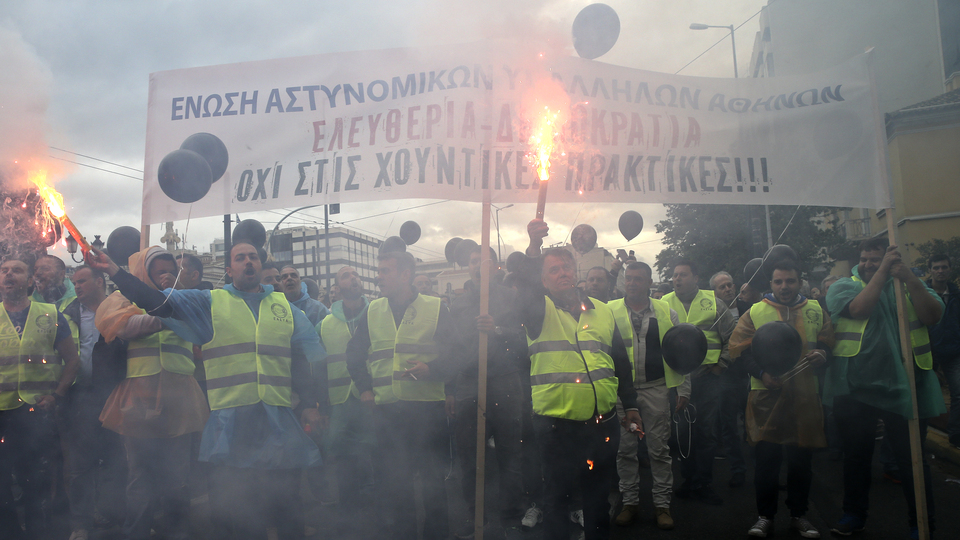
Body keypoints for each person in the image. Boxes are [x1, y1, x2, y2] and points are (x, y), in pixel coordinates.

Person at [86, 243, 326, 540]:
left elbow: (304, 357)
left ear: (261, 267)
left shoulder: (285, 308)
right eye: (240, 258)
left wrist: (312, 403)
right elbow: (154, 301)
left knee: (287, 504)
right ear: (229, 270)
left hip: (278, 421)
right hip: (233, 424)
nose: (248, 262)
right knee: (241, 509)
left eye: (253, 257)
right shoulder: (209, 302)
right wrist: (112, 269)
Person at [517, 219, 642, 540]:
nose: (562, 274)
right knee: (557, 498)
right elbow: (526, 285)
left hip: (602, 423)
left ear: (577, 274)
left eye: (566, 268)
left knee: (598, 499)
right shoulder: (536, 310)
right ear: (543, 281)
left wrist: (631, 405)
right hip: (556, 426)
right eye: (554, 270)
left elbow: (619, 363)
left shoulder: (602, 311)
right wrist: (533, 247)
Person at [824, 239, 944, 537]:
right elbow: (859, 308)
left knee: (912, 459)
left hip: (906, 387)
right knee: (857, 456)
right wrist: (883, 272)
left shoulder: (907, 283)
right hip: (856, 388)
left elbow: (932, 316)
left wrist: (909, 278)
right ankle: (854, 515)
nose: (867, 264)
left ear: (890, 262)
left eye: (875, 260)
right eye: (864, 259)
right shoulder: (843, 286)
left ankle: (921, 522)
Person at [95, 248, 210, 540]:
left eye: (171, 270)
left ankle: (177, 532)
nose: (167, 275)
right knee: (140, 478)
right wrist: (168, 316)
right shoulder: (120, 299)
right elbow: (125, 327)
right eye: (158, 271)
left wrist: (173, 309)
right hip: (138, 399)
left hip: (180, 398)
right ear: (141, 274)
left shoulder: (186, 298)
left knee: (177, 477)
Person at [345, 251, 460, 540]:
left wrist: (431, 369)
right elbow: (354, 354)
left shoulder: (435, 307)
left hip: (426, 412)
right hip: (388, 414)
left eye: (385, 271)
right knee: (396, 487)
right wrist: (366, 389)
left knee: (433, 483)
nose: (378, 276)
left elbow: (457, 354)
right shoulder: (373, 310)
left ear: (405, 274)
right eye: (379, 270)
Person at [730, 260, 836, 539]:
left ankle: (799, 515)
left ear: (800, 282)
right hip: (766, 398)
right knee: (767, 461)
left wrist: (823, 354)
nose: (784, 287)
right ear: (771, 284)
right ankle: (765, 517)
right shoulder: (756, 312)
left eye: (790, 281)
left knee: (801, 461)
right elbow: (740, 350)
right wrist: (762, 373)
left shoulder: (815, 309)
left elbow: (827, 341)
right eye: (778, 282)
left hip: (804, 398)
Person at [0, 256, 81, 540]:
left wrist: (57, 395)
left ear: (30, 279)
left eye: (17, 270)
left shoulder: (49, 314)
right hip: (1, 415)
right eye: (5, 270)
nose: (9, 274)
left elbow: (72, 360)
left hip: (35, 414)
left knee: (37, 485)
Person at [449, 244, 525, 538]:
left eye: (483, 261)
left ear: (494, 266)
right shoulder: (457, 304)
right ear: (466, 268)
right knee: (469, 458)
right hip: (470, 384)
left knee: (511, 455)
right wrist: (451, 390)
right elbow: (452, 349)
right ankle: (474, 515)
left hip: (505, 382)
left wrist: (498, 330)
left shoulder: (511, 297)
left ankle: (512, 517)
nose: (477, 266)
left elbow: (523, 338)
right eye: (471, 262)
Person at [609, 262, 690, 530]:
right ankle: (630, 503)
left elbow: (682, 352)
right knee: (625, 450)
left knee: (659, 449)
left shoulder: (667, 312)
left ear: (649, 282)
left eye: (638, 279)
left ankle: (661, 506)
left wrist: (683, 387)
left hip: (656, 388)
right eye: (628, 279)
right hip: (623, 392)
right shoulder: (609, 311)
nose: (632, 283)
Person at [59, 265, 127, 540]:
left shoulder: (121, 308)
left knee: (116, 459)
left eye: (83, 281)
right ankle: (81, 524)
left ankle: (114, 515)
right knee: (80, 464)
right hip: (81, 396)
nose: (77, 286)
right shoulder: (68, 314)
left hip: (115, 392)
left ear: (100, 281)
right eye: (74, 282)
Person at [662, 260, 736, 505]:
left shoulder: (714, 302)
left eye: (683, 274)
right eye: (674, 275)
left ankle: (703, 483)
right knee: (682, 433)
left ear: (696, 277)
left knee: (706, 432)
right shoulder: (663, 304)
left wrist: (720, 366)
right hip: (678, 382)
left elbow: (732, 337)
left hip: (707, 380)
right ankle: (688, 480)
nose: (677, 279)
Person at [316, 266, 375, 537]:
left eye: (355, 273)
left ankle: (377, 510)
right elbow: (318, 368)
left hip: (372, 398)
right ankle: (349, 512)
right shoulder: (326, 324)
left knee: (374, 453)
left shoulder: (376, 313)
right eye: (345, 275)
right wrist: (322, 405)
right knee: (341, 458)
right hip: (339, 401)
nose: (353, 277)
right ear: (337, 288)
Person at [711, 270, 748, 488]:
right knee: (729, 427)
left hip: (750, 374)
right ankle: (738, 470)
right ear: (714, 292)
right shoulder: (712, 312)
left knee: (753, 423)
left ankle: (760, 465)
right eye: (721, 286)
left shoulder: (748, 309)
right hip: (725, 377)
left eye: (730, 285)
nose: (727, 289)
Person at [925, 253, 960, 447]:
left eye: (944, 267)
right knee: (925, 395)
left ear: (950, 269)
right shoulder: (921, 292)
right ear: (930, 270)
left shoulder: (956, 294)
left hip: (953, 351)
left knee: (958, 393)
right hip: (928, 353)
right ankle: (921, 434)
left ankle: (955, 434)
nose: (940, 271)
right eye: (936, 267)